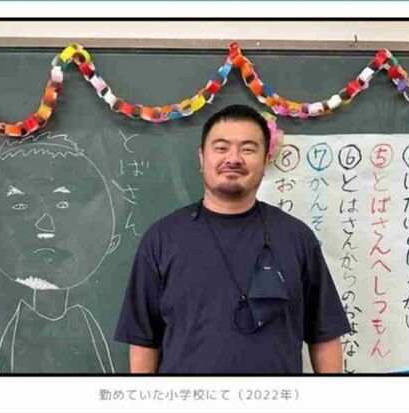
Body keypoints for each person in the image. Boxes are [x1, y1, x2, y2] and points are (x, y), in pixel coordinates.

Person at [114, 104, 351, 373]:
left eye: (248, 149)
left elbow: (325, 336)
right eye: (221, 147)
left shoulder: (297, 237)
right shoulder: (162, 238)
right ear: (202, 158)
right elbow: (143, 341)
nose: (234, 159)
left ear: (265, 160)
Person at [0, 132, 120, 373]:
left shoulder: (90, 323)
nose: (45, 225)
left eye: (62, 204)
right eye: (20, 206)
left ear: (112, 237)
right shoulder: (5, 325)